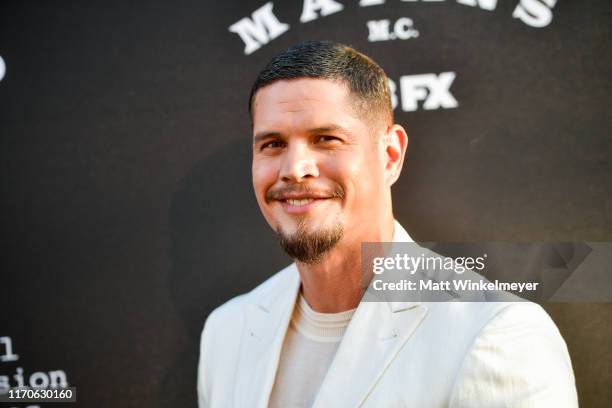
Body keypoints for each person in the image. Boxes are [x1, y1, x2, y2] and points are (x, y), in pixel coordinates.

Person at [197, 40, 578, 407]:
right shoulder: (227, 330)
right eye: (273, 144)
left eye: (326, 139)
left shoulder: (495, 333)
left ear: (390, 156)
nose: (295, 169)